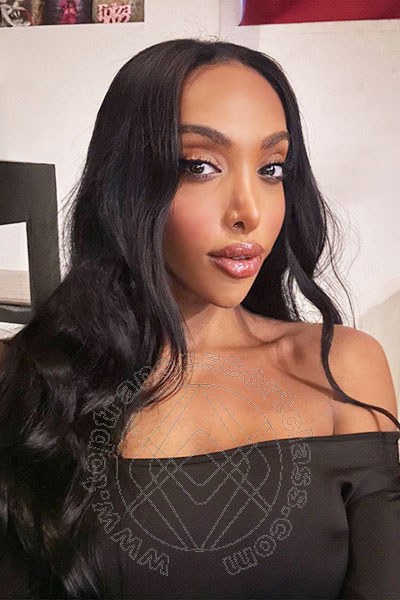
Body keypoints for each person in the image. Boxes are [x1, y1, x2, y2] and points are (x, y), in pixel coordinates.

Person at [0, 37, 399, 599]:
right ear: (127, 183)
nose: (249, 212)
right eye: (200, 166)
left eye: (272, 168)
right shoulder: (31, 380)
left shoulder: (341, 368)